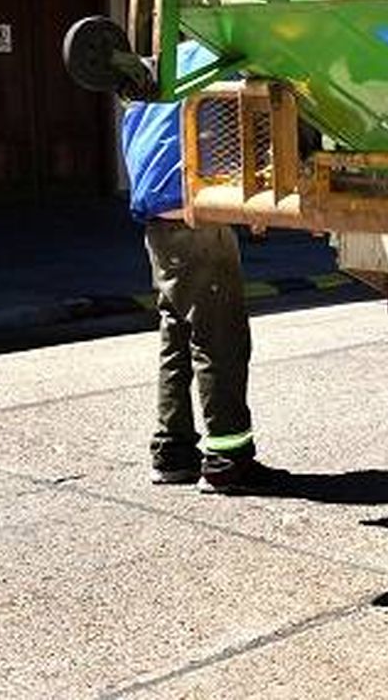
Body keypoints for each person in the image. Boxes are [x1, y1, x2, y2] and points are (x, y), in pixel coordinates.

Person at [122, 40, 271, 493]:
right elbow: (243, 123)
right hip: (195, 214)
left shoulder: (166, 63)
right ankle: (227, 459)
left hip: (157, 218)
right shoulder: (223, 58)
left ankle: (172, 453)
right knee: (219, 338)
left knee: (177, 332)